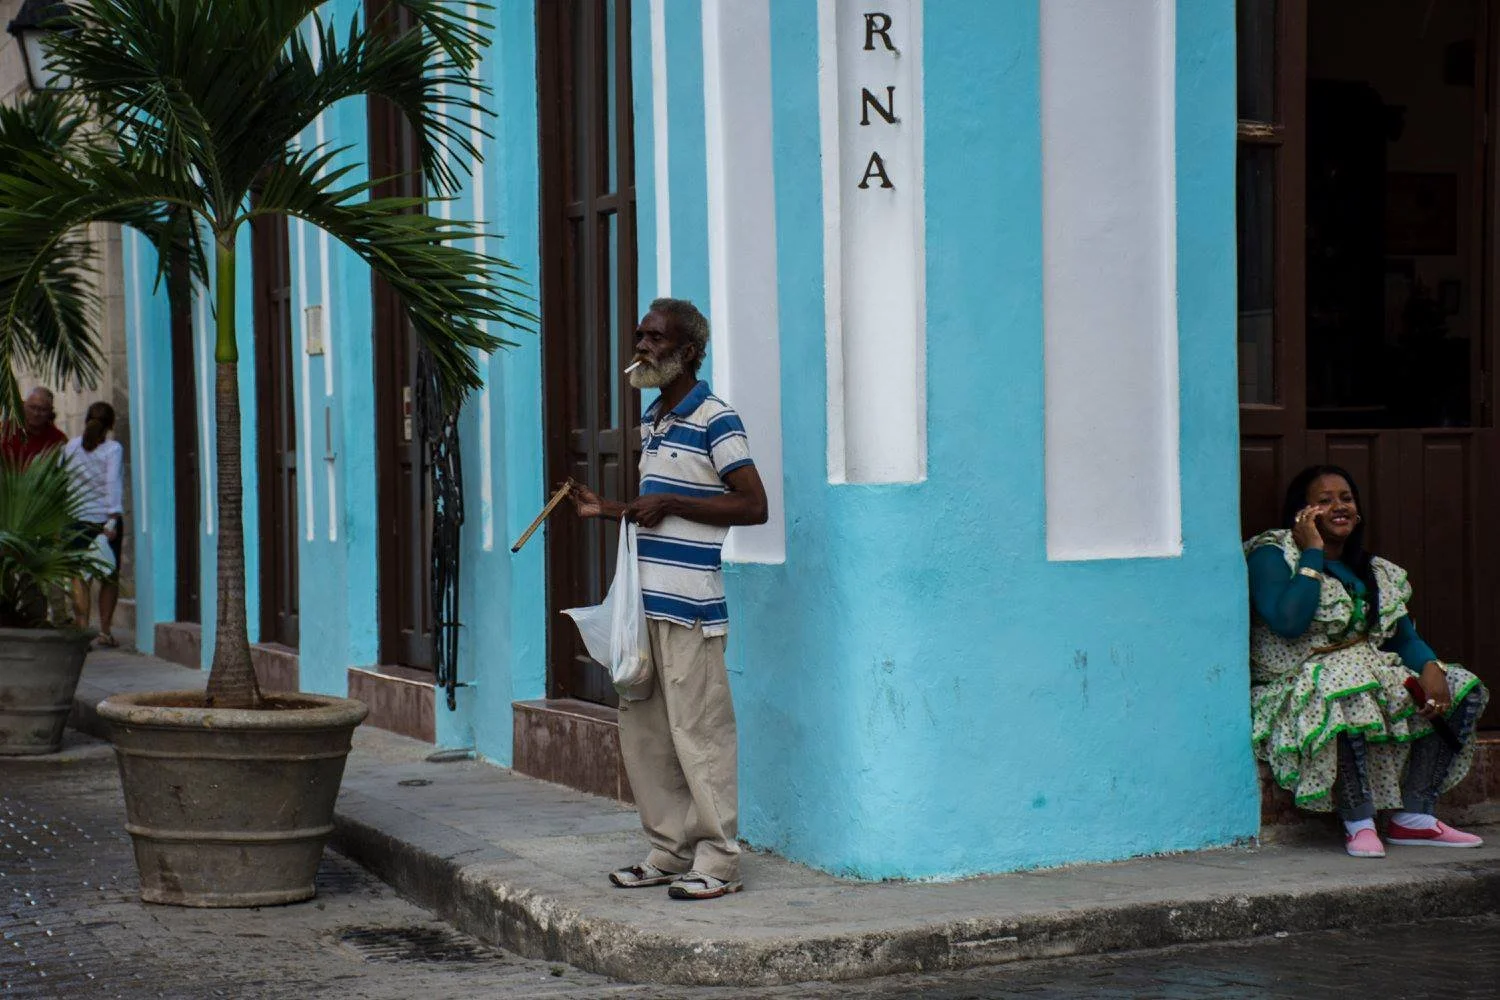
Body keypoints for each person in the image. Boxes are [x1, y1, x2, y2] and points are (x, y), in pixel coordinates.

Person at [569, 298, 768, 900]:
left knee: (699, 735)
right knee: (648, 737)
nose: (642, 346)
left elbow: (754, 505)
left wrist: (674, 504)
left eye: (655, 338)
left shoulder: (715, 418)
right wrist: (608, 509)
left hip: (692, 610)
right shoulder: (654, 419)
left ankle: (719, 862)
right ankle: (669, 851)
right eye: (639, 335)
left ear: (691, 352)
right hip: (645, 610)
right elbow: (659, 511)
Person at [1246, 465, 1488, 858]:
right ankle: (1358, 821)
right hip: (1296, 685)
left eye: (1346, 498)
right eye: (1323, 501)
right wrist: (1311, 550)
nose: (1338, 507)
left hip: (1367, 674)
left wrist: (1431, 668)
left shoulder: (1371, 569)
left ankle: (1415, 817)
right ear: (1302, 513)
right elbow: (1288, 622)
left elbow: (1401, 636)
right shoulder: (1273, 554)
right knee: (1345, 681)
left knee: (1463, 688)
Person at [63, 402, 125, 646]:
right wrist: (112, 518)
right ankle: (105, 632)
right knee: (108, 577)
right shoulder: (113, 449)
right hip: (103, 523)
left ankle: (82, 631)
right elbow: (113, 484)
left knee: (80, 577)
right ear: (110, 425)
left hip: (75, 519)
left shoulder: (71, 447)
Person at [1, 387, 69, 467]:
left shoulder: (58, 440)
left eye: (43, 410)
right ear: (23, 406)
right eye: (32, 407)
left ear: (50, 412)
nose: (36, 413)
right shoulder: (4, 430)